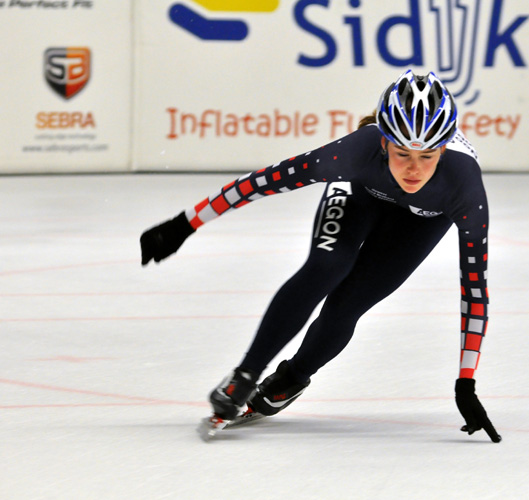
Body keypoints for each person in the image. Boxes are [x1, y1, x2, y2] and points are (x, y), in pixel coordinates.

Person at [140, 70, 500, 443]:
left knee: (347, 305)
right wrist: (185, 224)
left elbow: (474, 290)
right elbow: (262, 182)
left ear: (443, 150)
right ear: (383, 143)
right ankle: (244, 377)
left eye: (427, 156)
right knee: (326, 266)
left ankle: (291, 379)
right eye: (402, 153)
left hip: (423, 220)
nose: (413, 169)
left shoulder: (464, 186)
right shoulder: (355, 152)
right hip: (361, 192)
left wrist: (465, 383)